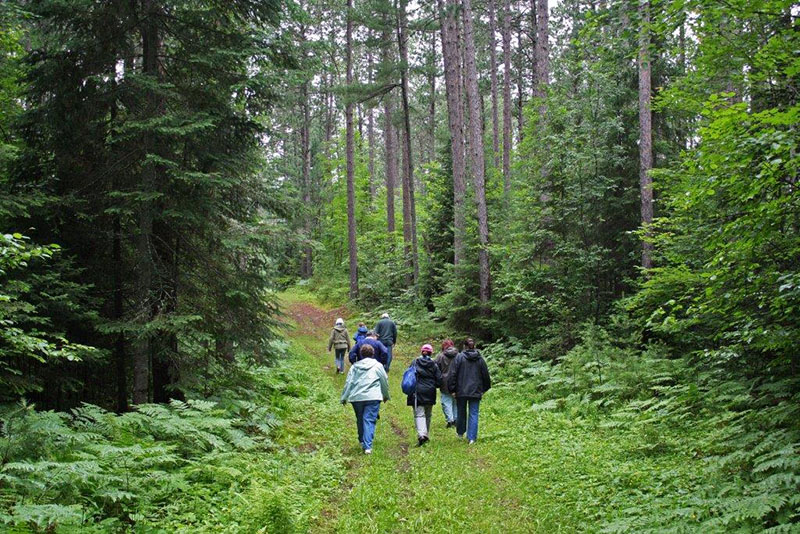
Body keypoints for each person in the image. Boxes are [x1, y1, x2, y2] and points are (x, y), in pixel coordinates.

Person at [341, 344, 390, 455]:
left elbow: (349, 382)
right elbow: (384, 381)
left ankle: (362, 441)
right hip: (373, 397)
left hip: (357, 397)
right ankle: (368, 446)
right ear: (373, 353)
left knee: (360, 418)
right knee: (369, 419)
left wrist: (344, 397)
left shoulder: (355, 367)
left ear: (361, 354)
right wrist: (385, 395)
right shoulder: (378, 366)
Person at [448, 338, 491, 444]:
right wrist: (484, 389)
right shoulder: (480, 359)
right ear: (474, 346)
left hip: (461, 390)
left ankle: (460, 432)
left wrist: (452, 389)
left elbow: (453, 374)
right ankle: (472, 437)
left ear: (464, 346)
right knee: (474, 413)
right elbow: (485, 375)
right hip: (476, 390)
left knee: (461, 411)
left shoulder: (459, 358)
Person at [407, 344, 442, 447]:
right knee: (428, 414)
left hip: (417, 391)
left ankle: (422, 434)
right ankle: (425, 434)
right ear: (431, 353)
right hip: (430, 391)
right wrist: (434, 385)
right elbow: (439, 380)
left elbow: (409, 375)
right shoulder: (434, 364)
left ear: (421, 351)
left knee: (419, 414)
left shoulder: (415, 362)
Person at [434, 339, 459, 428]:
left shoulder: (440, 356)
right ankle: (456, 419)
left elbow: (435, 368)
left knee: (446, 401)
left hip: (444, 382)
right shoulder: (459, 356)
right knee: (456, 401)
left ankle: (450, 420)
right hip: (457, 381)